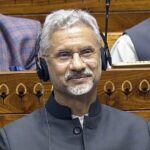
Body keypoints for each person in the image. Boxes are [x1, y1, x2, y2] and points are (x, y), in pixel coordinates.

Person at [0, 10, 150, 150]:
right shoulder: (13, 141)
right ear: (43, 65)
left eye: (87, 52)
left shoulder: (140, 132)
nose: (77, 65)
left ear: (103, 57)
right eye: (64, 55)